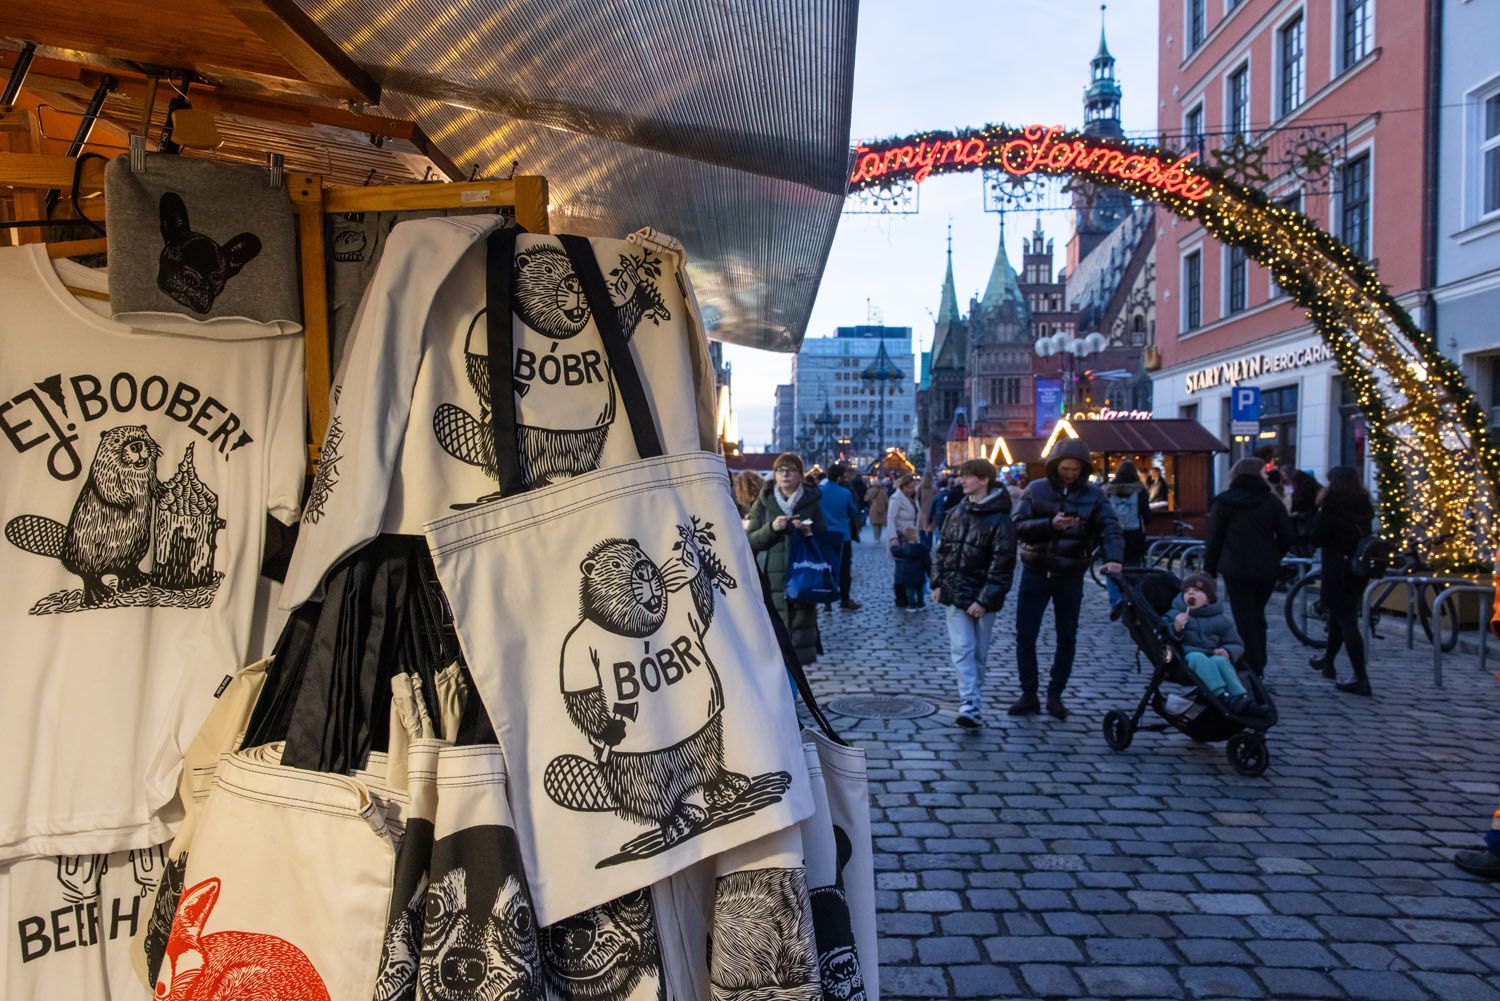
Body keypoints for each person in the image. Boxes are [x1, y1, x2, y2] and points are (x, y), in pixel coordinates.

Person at [1012, 438, 1124, 719]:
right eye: (1066, 468)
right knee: (1026, 634)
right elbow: (1018, 526)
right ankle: (1029, 693)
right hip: (1036, 571)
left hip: (1070, 573)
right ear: (1055, 466)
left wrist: (1114, 558)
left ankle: (1055, 695)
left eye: (1075, 469)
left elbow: (1110, 527)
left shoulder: (1094, 495)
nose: (1070, 473)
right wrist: (1049, 525)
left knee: (1067, 637)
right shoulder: (1036, 490)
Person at [931, 458, 1016, 728]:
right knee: (963, 649)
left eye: (968, 476)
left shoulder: (1000, 519)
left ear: (983, 480)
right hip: (955, 593)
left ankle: (973, 700)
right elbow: (942, 551)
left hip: (982, 597)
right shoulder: (956, 512)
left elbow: (1002, 564)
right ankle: (968, 701)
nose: (961, 480)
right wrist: (937, 583)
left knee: (979, 652)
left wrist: (984, 599)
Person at [1203, 457, 1295, 678]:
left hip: (1235, 568)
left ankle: (1250, 665)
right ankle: (1257, 663)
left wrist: (1210, 569)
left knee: (1244, 617)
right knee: (1256, 616)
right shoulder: (1271, 501)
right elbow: (1287, 535)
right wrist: (1274, 554)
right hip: (1265, 568)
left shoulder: (1224, 501)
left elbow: (1214, 538)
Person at [746, 452, 824, 666]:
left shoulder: (813, 500)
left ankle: (797, 692)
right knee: (775, 645)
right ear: (775, 475)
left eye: (791, 469)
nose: (785, 474)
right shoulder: (764, 502)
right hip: (772, 578)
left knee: (800, 644)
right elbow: (750, 540)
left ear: (800, 475)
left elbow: (826, 537)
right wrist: (772, 528)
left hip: (803, 575)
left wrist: (809, 532)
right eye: (781, 469)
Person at [1311, 465, 1375, 695]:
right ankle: (1328, 662)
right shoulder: (1364, 504)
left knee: (1346, 620)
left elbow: (1317, 536)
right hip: (1357, 569)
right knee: (1340, 617)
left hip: (1337, 567)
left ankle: (1361, 677)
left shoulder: (1331, 505)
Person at [1163, 573, 1265, 715]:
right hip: (1184, 659)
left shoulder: (1220, 619)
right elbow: (1164, 637)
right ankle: (1221, 695)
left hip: (1212, 655)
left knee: (1221, 660)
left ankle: (1241, 697)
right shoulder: (1174, 614)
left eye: (1197, 591)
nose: (1190, 593)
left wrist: (1227, 651)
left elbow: (1235, 643)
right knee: (1197, 657)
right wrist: (1176, 628)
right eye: (1186, 592)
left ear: (1209, 598)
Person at [1104, 460, 1151, 620]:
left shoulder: (1108, 490)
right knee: (1132, 570)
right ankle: (1130, 601)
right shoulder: (1140, 490)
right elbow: (1146, 514)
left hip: (1112, 535)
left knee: (1112, 569)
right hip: (1134, 535)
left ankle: (1116, 599)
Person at [818, 463, 860, 611]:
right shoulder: (845, 493)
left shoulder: (819, 491)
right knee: (844, 569)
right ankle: (845, 599)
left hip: (824, 535)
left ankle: (827, 601)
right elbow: (853, 511)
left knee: (826, 567)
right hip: (843, 535)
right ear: (840, 477)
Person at [885, 473, 921, 607]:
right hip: (900, 536)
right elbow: (891, 519)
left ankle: (909, 594)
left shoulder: (912, 498)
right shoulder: (896, 498)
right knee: (901, 567)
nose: (912, 490)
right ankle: (900, 597)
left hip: (911, 536)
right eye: (909, 487)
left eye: (913, 487)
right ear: (903, 487)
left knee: (910, 567)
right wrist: (893, 537)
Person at [891, 528, 931, 612]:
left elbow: (895, 552)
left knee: (910, 591)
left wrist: (893, 546)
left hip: (907, 574)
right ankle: (921, 604)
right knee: (920, 590)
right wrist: (930, 573)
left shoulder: (904, 548)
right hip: (920, 573)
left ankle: (911, 605)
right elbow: (927, 562)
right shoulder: (922, 548)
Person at [1289, 469, 1321, 557]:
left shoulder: (1303, 493)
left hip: (1304, 526)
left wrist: (1294, 515)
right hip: (1310, 526)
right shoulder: (1315, 489)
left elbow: (1303, 509)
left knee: (1303, 548)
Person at [864, 477, 889, 541]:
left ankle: (876, 537)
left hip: (873, 508)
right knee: (880, 524)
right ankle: (879, 536)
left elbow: (866, 499)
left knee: (875, 524)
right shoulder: (883, 491)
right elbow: (886, 500)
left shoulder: (870, 491)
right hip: (881, 508)